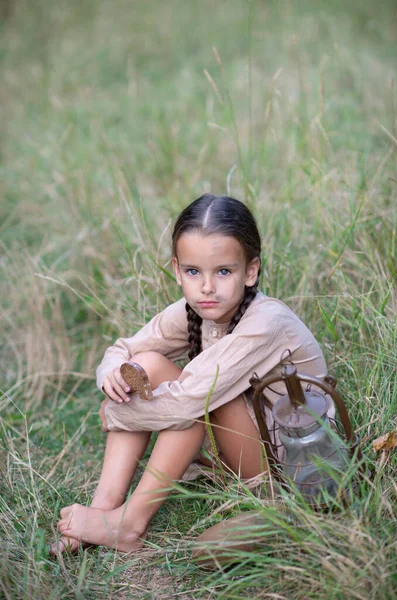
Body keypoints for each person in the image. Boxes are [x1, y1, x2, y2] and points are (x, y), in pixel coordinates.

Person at [52, 194, 328, 554]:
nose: (207, 287)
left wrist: (119, 412)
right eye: (193, 271)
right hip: (236, 447)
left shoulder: (266, 322)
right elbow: (125, 349)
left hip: (281, 471)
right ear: (177, 269)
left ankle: (130, 524)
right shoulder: (195, 309)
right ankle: (105, 507)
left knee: (196, 396)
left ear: (251, 271)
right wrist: (110, 375)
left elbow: (189, 401)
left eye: (223, 271)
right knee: (145, 364)